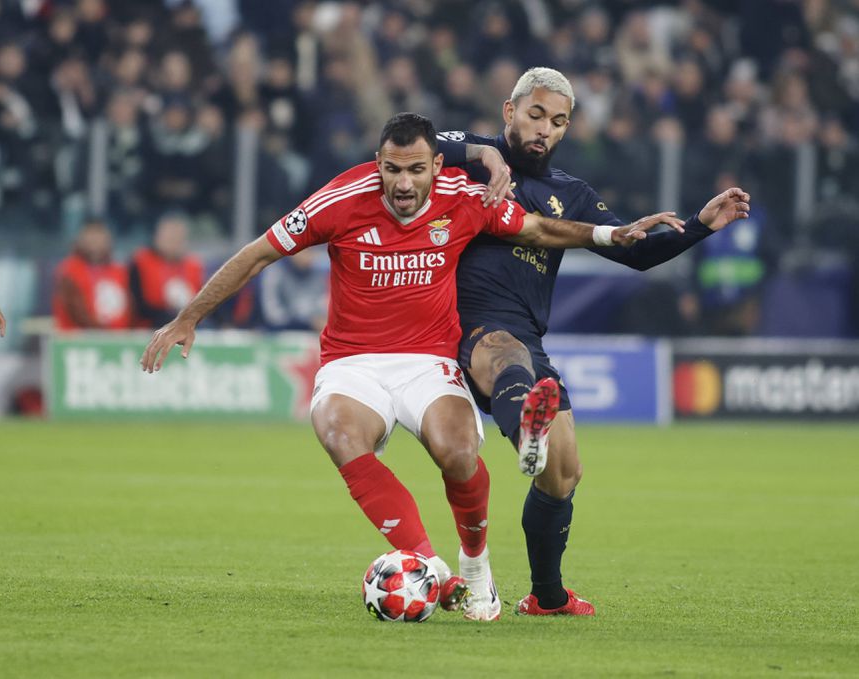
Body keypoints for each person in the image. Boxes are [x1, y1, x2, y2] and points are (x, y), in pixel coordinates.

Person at [140, 112, 679, 621]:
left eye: (415, 170)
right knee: (336, 431)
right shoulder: (341, 198)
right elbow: (259, 252)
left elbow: (537, 230)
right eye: (392, 170)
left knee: (458, 450)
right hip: (353, 361)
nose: (402, 184)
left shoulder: (464, 197)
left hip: (428, 360)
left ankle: (476, 568)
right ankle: (434, 569)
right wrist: (189, 318)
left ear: (436, 167)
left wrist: (609, 234)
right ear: (378, 164)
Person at [436, 67, 751, 616]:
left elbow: (634, 250)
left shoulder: (571, 195)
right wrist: (485, 157)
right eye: (535, 115)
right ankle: (524, 436)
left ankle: (547, 597)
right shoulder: (469, 159)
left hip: (530, 338)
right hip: (470, 326)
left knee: (564, 473)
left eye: (558, 122)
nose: (545, 130)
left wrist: (700, 224)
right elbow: (413, 144)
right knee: (507, 357)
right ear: (510, 112)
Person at [53, 219, 132, 331]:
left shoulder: (120, 270)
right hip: (79, 341)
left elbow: (130, 307)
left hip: (118, 341)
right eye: (91, 235)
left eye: (99, 235)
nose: (95, 240)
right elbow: (75, 310)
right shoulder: (68, 269)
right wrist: (100, 332)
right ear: (81, 239)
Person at [129, 214, 204, 328]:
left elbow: (203, 301)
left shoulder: (193, 265)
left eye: (177, 239)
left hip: (189, 324)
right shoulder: (141, 262)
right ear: (157, 237)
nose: (173, 243)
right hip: (150, 325)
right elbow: (137, 305)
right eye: (169, 238)